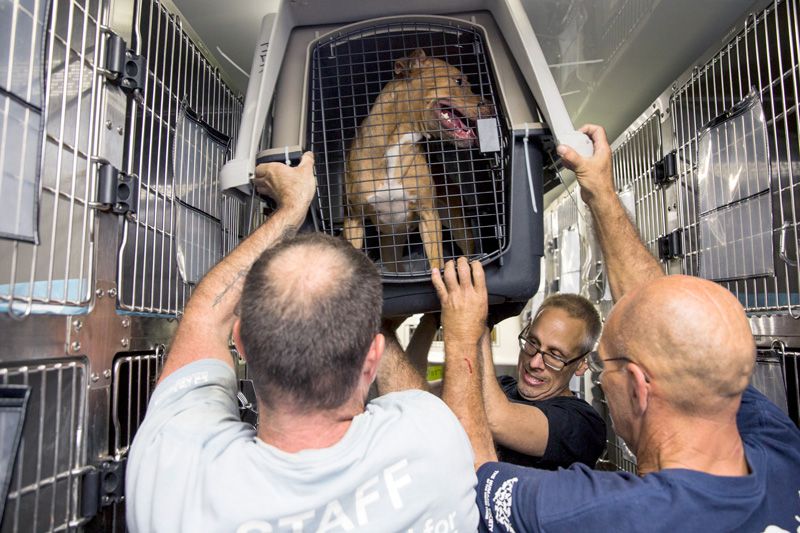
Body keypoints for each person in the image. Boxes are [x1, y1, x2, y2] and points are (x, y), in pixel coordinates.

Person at [436, 125, 800, 532]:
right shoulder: (777, 445)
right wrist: (600, 194)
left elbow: (474, 476)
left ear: (638, 387)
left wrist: (464, 331)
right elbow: (658, 314)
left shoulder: (606, 514)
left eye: (602, 366)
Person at [125, 153, 479, 533]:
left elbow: (206, 319)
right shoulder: (436, 442)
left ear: (241, 343)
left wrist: (291, 209)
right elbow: (424, 408)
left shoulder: (174, 480)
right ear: (372, 359)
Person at [378, 297, 606, 471]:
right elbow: (414, 396)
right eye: (532, 343)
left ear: (581, 365)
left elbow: (494, 418)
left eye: (555, 355)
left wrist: (478, 321)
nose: (535, 362)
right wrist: (431, 321)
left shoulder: (582, 425)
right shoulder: (503, 385)